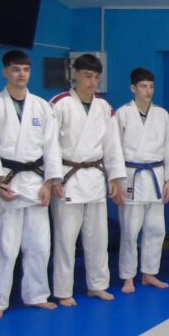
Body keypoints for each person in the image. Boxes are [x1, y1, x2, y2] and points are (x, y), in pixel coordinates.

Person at [0, 50, 63, 319]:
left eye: (26, 69)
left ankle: (37, 295)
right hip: (7, 181)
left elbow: (51, 146)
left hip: (36, 181)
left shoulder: (42, 106)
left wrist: (49, 182)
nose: (21, 74)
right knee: (5, 247)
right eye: (16, 69)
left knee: (39, 245)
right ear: (5, 72)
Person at [50, 55, 126, 306]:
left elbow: (112, 144)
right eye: (87, 76)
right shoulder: (60, 103)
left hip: (94, 176)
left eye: (96, 77)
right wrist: (54, 178)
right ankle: (63, 290)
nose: (93, 82)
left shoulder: (104, 106)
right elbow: (49, 144)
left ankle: (98, 285)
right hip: (68, 177)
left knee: (98, 237)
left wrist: (115, 176)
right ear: (76, 74)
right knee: (65, 238)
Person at [116, 68, 169, 293]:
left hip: (156, 177)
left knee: (156, 229)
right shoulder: (122, 114)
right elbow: (114, 150)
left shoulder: (162, 114)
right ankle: (128, 276)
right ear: (133, 88)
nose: (148, 91)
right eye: (143, 86)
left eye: (151, 86)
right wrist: (116, 182)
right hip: (131, 177)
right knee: (130, 231)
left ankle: (149, 273)